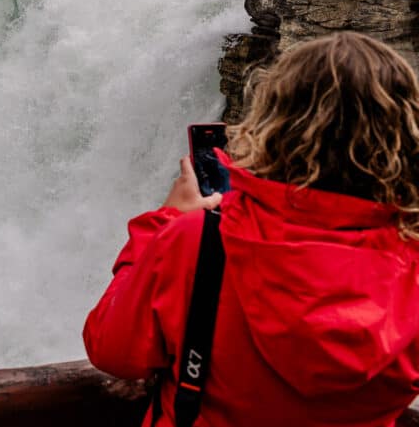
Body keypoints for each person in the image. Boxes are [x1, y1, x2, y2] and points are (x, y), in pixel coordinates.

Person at [83, 32, 419, 427]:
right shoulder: (411, 265)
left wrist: (165, 220)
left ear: (274, 122)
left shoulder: (198, 240)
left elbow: (112, 348)